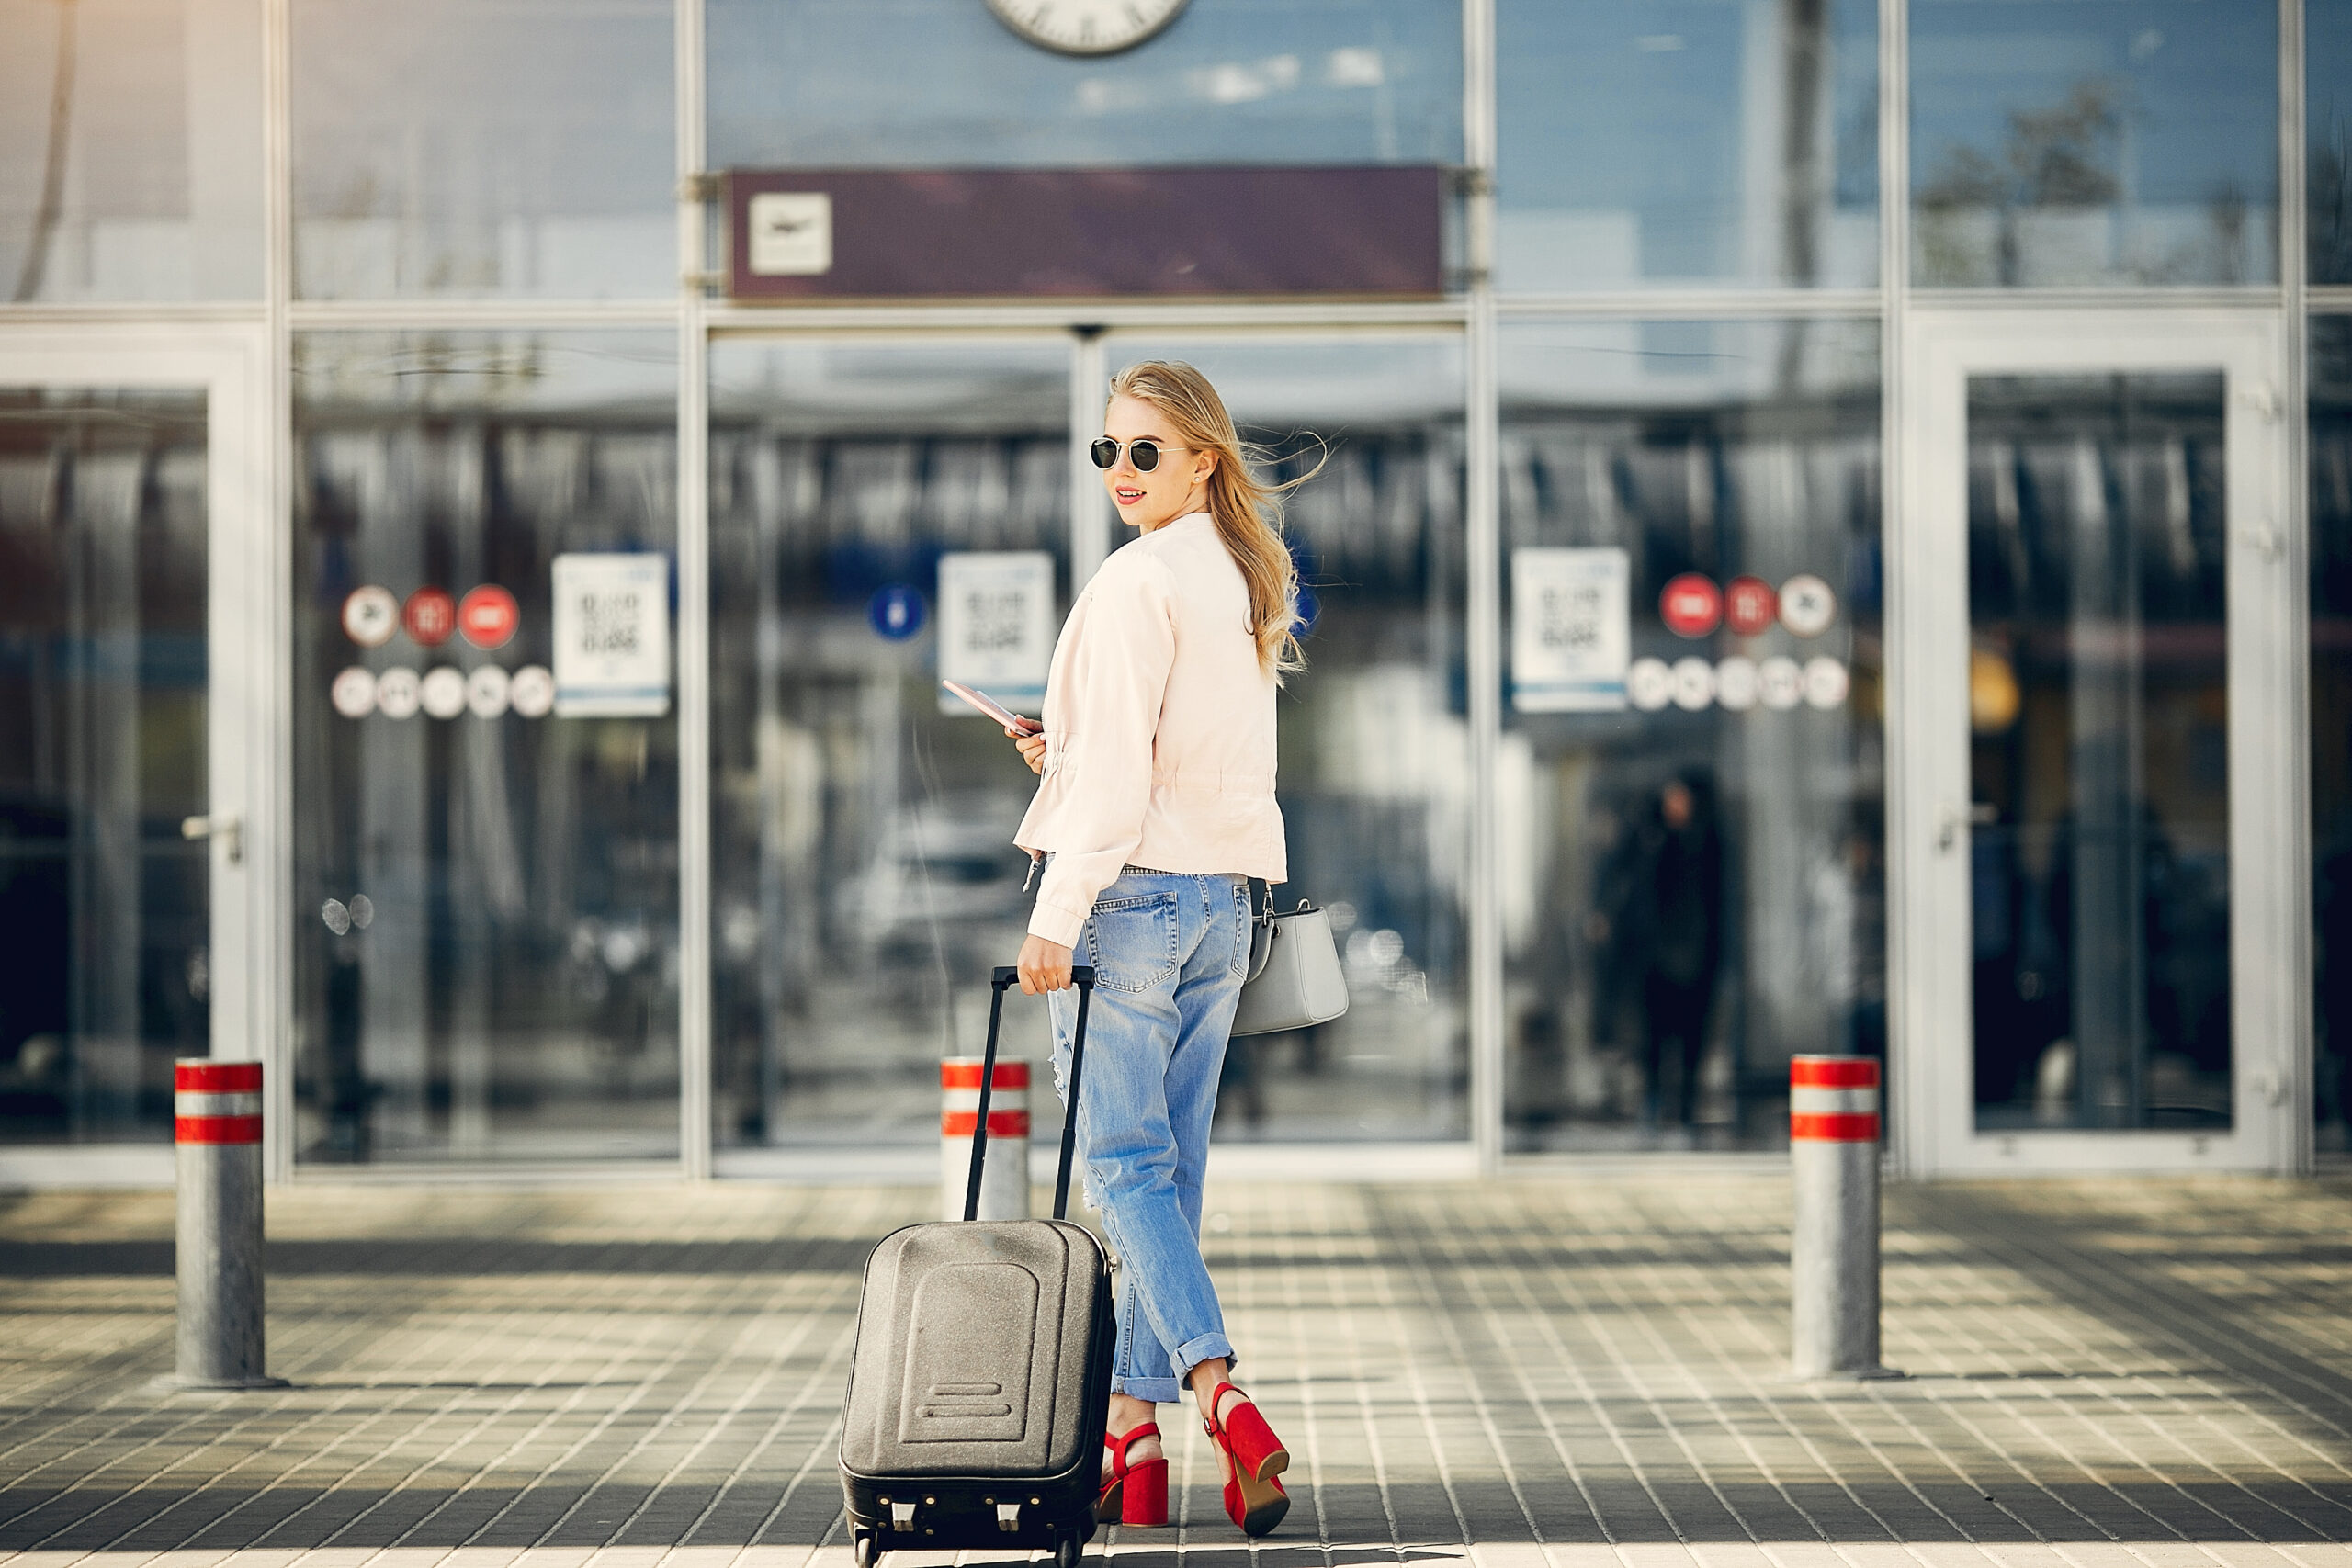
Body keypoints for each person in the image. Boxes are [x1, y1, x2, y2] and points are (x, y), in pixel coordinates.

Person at [1005, 360, 1302, 1538]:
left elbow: (1123, 781)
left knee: (1123, 1169)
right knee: (1166, 1179)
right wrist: (1060, 754)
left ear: (1203, 461)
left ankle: (1216, 1390)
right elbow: (1175, 759)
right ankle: (1130, 1431)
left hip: (1129, 904)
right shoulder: (1239, 578)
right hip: (1224, 906)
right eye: (1108, 452)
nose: (1122, 473)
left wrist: (1054, 915)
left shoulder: (1135, 585)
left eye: (1146, 452)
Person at [1592, 772, 1724, 1134]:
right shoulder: (1648, 838)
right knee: (1652, 1038)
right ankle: (1653, 1102)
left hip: (1694, 960)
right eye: (1671, 798)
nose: (1676, 807)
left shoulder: (1704, 842)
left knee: (1690, 1041)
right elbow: (1620, 877)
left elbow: (1716, 904)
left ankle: (1683, 1109)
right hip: (1653, 958)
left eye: (1682, 799)